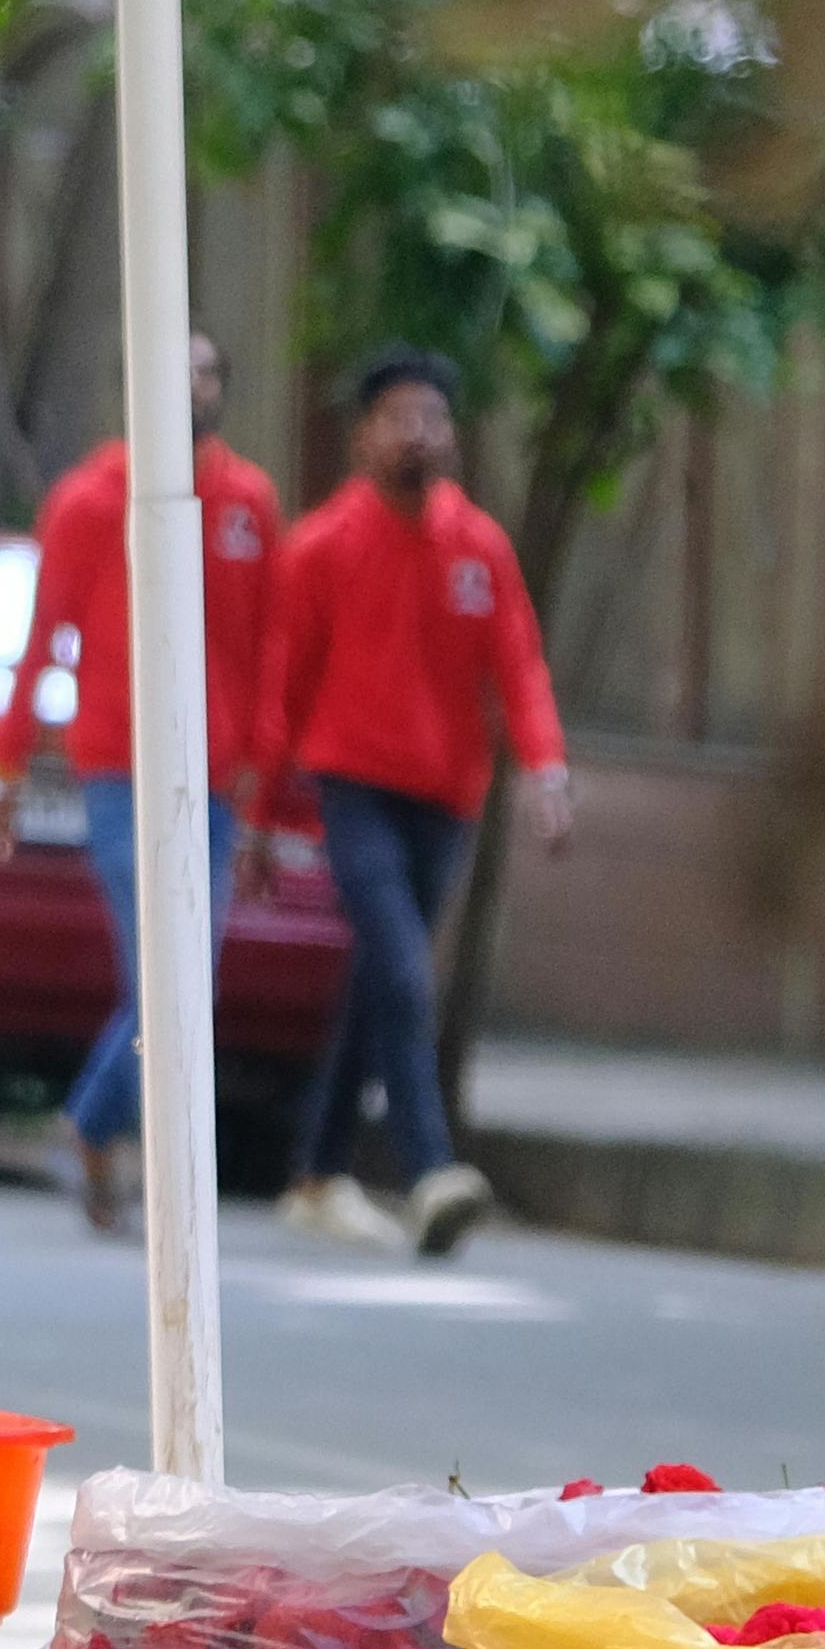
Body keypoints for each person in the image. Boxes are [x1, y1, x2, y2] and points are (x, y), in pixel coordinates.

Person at [259, 347, 569, 1258]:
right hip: (353, 787)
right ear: (363, 434)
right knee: (400, 967)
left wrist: (546, 765)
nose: (418, 433)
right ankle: (432, 1168)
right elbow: (286, 679)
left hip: (448, 796)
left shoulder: (480, 548)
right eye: (399, 416)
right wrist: (257, 800)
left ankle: (316, 1172)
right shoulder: (320, 547)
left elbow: (517, 664)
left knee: (376, 982)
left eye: (433, 417)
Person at [0, 334, 279, 1233]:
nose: (191, 387)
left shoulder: (248, 503)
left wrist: (261, 786)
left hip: (214, 778)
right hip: (117, 770)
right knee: (165, 972)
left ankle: (93, 1124)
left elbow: (270, 650)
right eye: (174, 370)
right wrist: (5, 765)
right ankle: (108, 1133)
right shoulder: (86, 502)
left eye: (207, 372)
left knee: (189, 976)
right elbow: (41, 642)